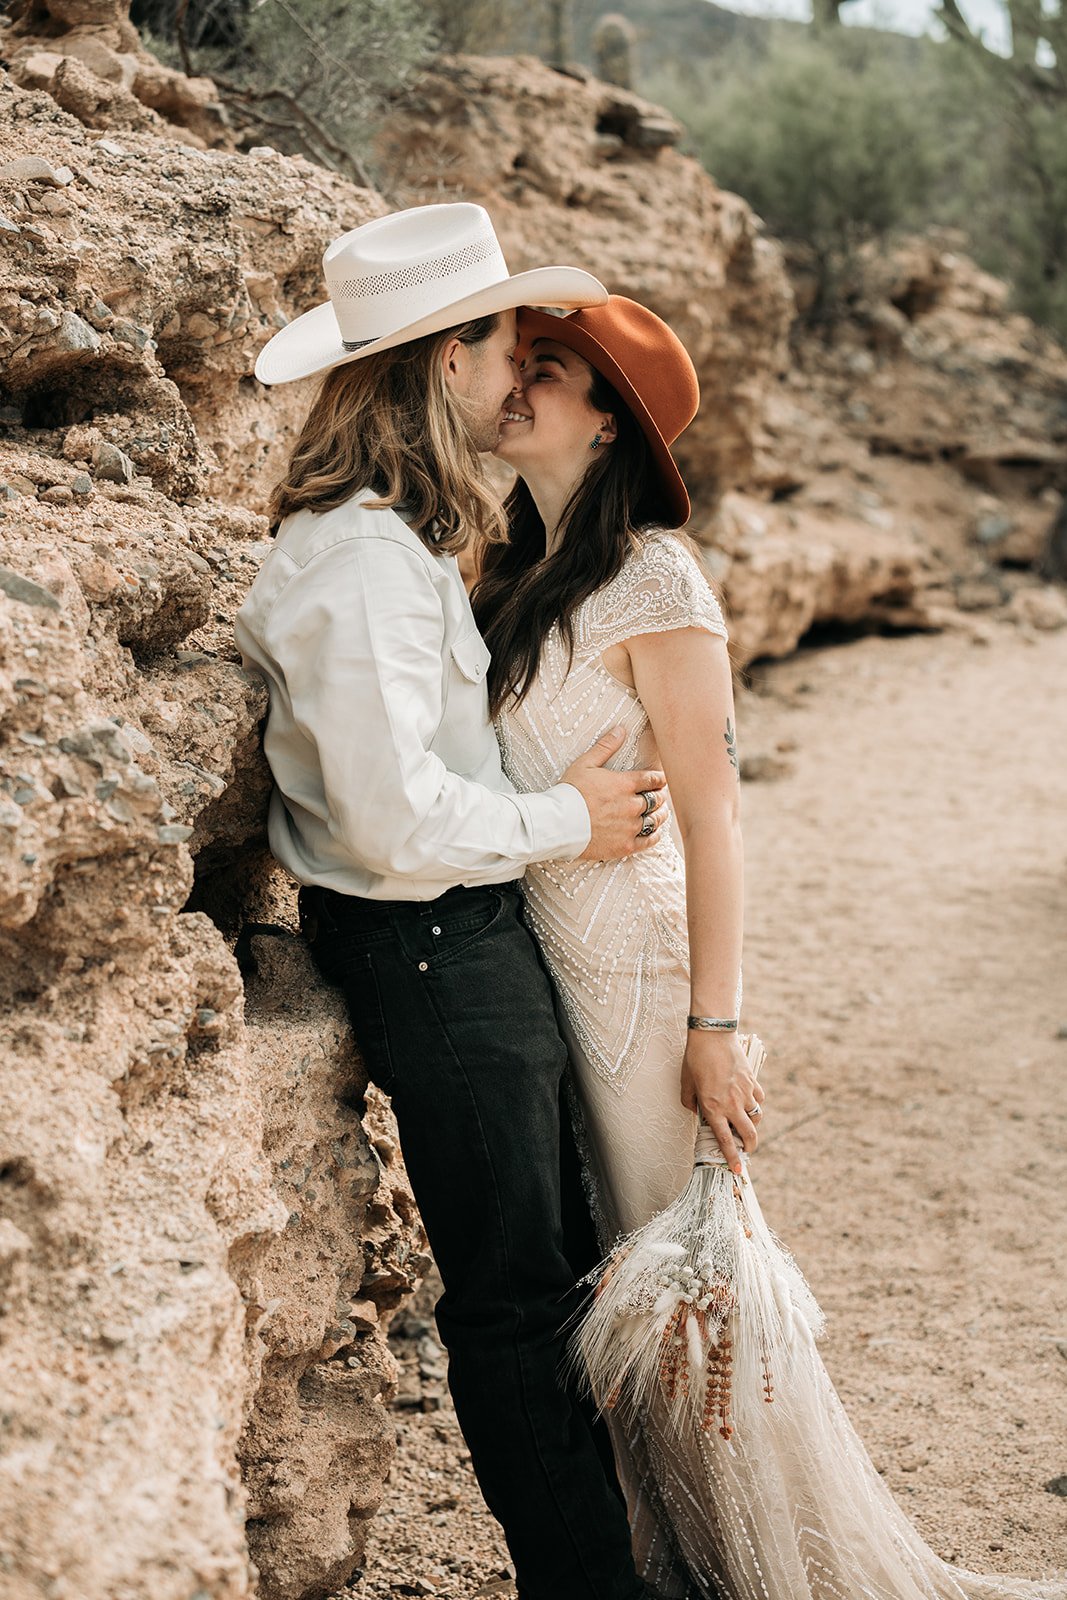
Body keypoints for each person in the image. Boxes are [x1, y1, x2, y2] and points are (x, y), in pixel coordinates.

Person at [472, 295, 1067, 1600]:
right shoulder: (511, 577)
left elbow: (715, 809)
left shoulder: (658, 578)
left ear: (609, 422)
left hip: (638, 979)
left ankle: (754, 1567)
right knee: (608, 1291)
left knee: (677, 1286)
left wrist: (719, 1025)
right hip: (546, 976)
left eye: (547, 371)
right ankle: (669, 1557)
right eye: (517, 366)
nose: (514, 387)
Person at [235, 204, 671, 1600]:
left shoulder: (393, 546)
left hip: (461, 941)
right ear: (437, 364)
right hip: (431, 946)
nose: (512, 372)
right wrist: (570, 821)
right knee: (509, 1307)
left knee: (547, 1276)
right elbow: (385, 815)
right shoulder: (360, 566)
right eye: (495, 344)